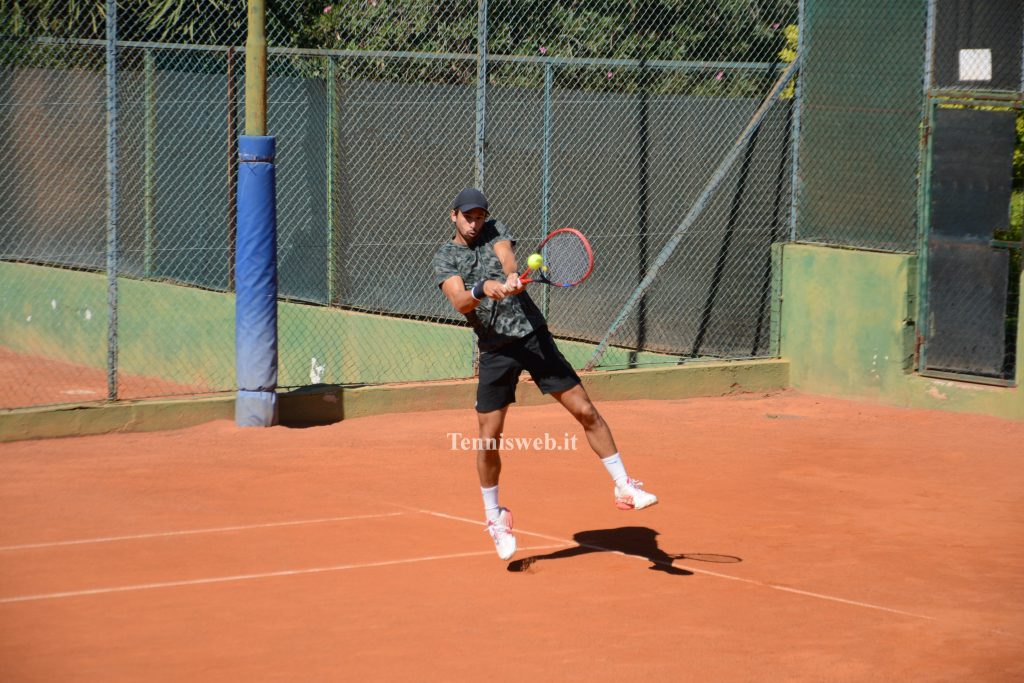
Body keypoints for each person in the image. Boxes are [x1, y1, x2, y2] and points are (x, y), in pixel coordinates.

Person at [432, 187, 658, 561]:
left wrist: (510, 277)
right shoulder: (445, 256)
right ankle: (495, 517)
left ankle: (624, 487)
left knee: (586, 411)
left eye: (479, 216)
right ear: (452, 215)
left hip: (532, 336)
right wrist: (486, 288)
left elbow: (506, 257)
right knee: (489, 438)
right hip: (494, 348)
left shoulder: (494, 231)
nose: (475, 223)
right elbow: (459, 300)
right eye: (468, 216)